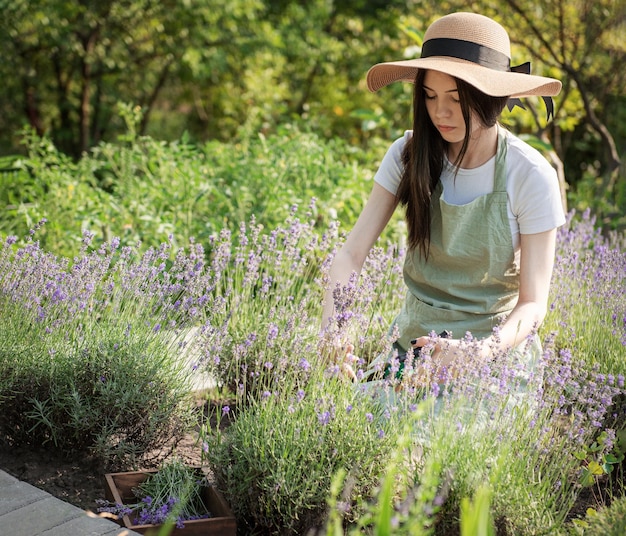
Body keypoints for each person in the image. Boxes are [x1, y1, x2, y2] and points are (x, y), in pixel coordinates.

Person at [321, 12, 565, 387]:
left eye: (455, 97)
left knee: (429, 442)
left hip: (491, 357)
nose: (440, 112)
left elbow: (533, 305)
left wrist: (478, 353)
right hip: (412, 347)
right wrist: (335, 330)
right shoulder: (408, 154)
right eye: (430, 96)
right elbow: (351, 254)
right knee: (353, 426)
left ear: (492, 97)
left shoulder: (530, 174)